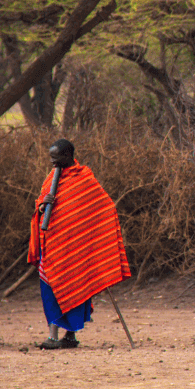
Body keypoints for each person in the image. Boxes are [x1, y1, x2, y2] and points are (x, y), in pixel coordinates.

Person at [28, 139, 131, 350]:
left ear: (69, 156)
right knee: (51, 290)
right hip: (54, 248)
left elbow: (105, 207)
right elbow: (41, 208)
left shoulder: (84, 179)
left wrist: (93, 235)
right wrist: (42, 206)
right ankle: (52, 336)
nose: (53, 163)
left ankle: (70, 336)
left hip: (77, 250)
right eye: (51, 159)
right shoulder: (51, 178)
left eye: (57, 159)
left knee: (78, 287)